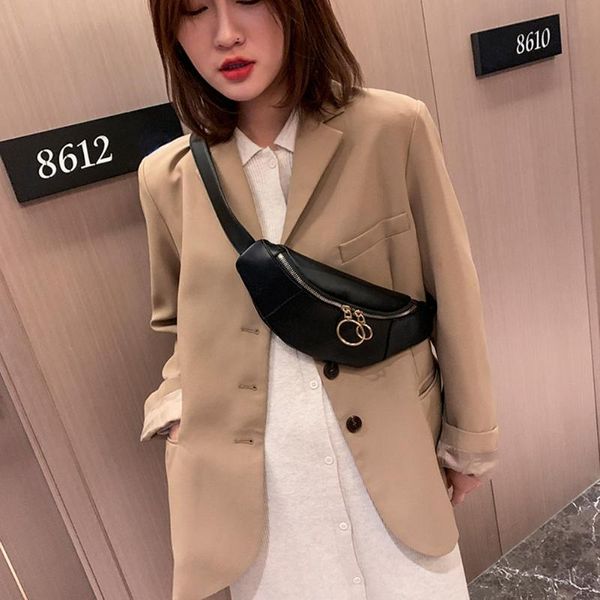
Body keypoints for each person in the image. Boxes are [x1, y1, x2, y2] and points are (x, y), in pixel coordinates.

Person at [137, 1, 500, 599]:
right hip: (263, 488)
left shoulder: (392, 129)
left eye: (248, 0)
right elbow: (180, 326)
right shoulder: (166, 178)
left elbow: (453, 293)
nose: (224, 34)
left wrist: (470, 440)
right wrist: (174, 412)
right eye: (195, 10)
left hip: (391, 460)